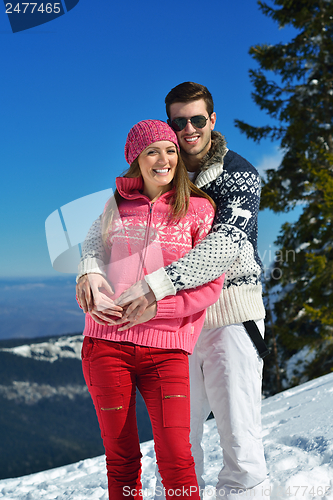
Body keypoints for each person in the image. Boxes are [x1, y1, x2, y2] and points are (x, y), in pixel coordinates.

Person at [77, 82, 268, 500]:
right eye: (178, 122)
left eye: (197, 119)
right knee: (183, 446)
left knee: (239, 439)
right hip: (174, 331)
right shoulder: (162, 175)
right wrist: (88, 270)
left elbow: (223, 248)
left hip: (228, 316)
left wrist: (153, 289)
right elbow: (99, 234)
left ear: (212, 121)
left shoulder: (237, 173)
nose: (188, 129)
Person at [78, 119, 224, 500]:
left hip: (168, 349)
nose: (164, 159)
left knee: (177, 456)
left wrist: (155, 310)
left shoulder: (198, 209)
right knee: (121, 459)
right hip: (106, 345)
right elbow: (92, 248)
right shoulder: (116, 205)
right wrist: (88, 273)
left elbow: (210, 286)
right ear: (136, 160)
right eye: (152, 151)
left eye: (171, 149)